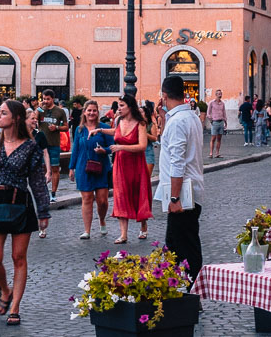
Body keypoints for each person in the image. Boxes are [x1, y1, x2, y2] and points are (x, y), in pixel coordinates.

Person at [0, 99, 50, 326]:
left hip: (20, 204)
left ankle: (15, 307)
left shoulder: (30, 147)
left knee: (18, 258)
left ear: (15, 118)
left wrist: (43, 211)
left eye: (3, 113)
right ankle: (5, 290)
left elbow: (36, 182)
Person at [154, 73, 205, 279]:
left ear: (164, 95)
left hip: (182, 195)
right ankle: (180, 291)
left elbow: (177, 163)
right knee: (175, 245)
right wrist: (164, 117)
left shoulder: (178, 122)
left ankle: (190, 293)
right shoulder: (190, 117)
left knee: (184, 248)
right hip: (191, 190)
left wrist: (174, 199)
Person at [110, 94, 153, 243]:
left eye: (122, 106)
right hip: (120, 164)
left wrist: (121, 147)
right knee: (120, 195)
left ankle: (143, 226)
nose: (119, 108)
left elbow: (142, 146)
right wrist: (99, 131)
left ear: (130, 107)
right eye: (118, 105)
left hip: (136, 164)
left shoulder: (140, 123)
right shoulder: (118, 120)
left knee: (137, 193)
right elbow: (115, 133)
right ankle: (123, 234)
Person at [71, 101, 114, 239]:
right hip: (83, 167)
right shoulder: (79, 130)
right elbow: (75, 150)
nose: (91, 113)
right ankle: (87, 230)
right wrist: (71, 167)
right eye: (89, 110)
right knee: (87, 198)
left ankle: (102, 220)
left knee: (102, 200)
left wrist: (104, 150)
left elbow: (112, 146)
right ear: (84, 112)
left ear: (97, 112)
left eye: (94, 110)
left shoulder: (104, 128)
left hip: (101, 167)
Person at [36, 90, 68, 199]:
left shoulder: (60, 111)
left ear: (53, 99)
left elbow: (66, 127)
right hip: (41, 145)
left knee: (55, 168)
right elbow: (34, 120)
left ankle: (53, 193)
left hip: (54, 143)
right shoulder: (41, 110)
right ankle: (43, 191)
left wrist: (57, 128)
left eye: (48, 99)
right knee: (42, 168)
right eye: (44, 99)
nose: (45, 101)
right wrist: (39, 108)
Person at [206, 89, 227, 159]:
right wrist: (211, 120)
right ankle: (211, 153)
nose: (220, 95)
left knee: (219, 138)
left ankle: (217, 153)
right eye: (218, 94)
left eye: (221, 94)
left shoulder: (222, 103)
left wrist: (225, 122)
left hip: (221, 122)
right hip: (214, 122)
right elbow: (208, 113)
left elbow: (224, 113)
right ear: (216, 95)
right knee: (213, 138)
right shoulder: (211, 103)